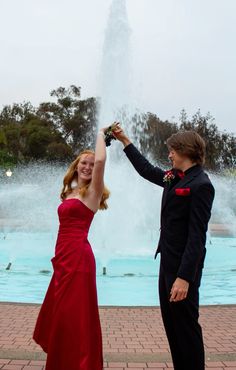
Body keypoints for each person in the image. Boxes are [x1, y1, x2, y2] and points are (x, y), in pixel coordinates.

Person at [113, 127, 215, 370]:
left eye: (172, 150)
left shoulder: (201, 184)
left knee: (186, 328)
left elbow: (196, 237)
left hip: (182, 271)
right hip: (167, 263)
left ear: (185, 151)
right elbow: (147, 170)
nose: (169, 155)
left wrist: (183, 278)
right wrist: (125, 141)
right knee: (172, 325)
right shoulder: (175, 176)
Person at [33, 126, 111, 370]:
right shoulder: (68, 192)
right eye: (83, 163)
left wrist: (101, 134)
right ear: (76, 166)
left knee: (76, 314)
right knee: (62, 315)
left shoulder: (93, 193)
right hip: (63, 259)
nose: (87, 167)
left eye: (90, 164)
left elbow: (100, 160)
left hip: (79, 259)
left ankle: (81, 364)